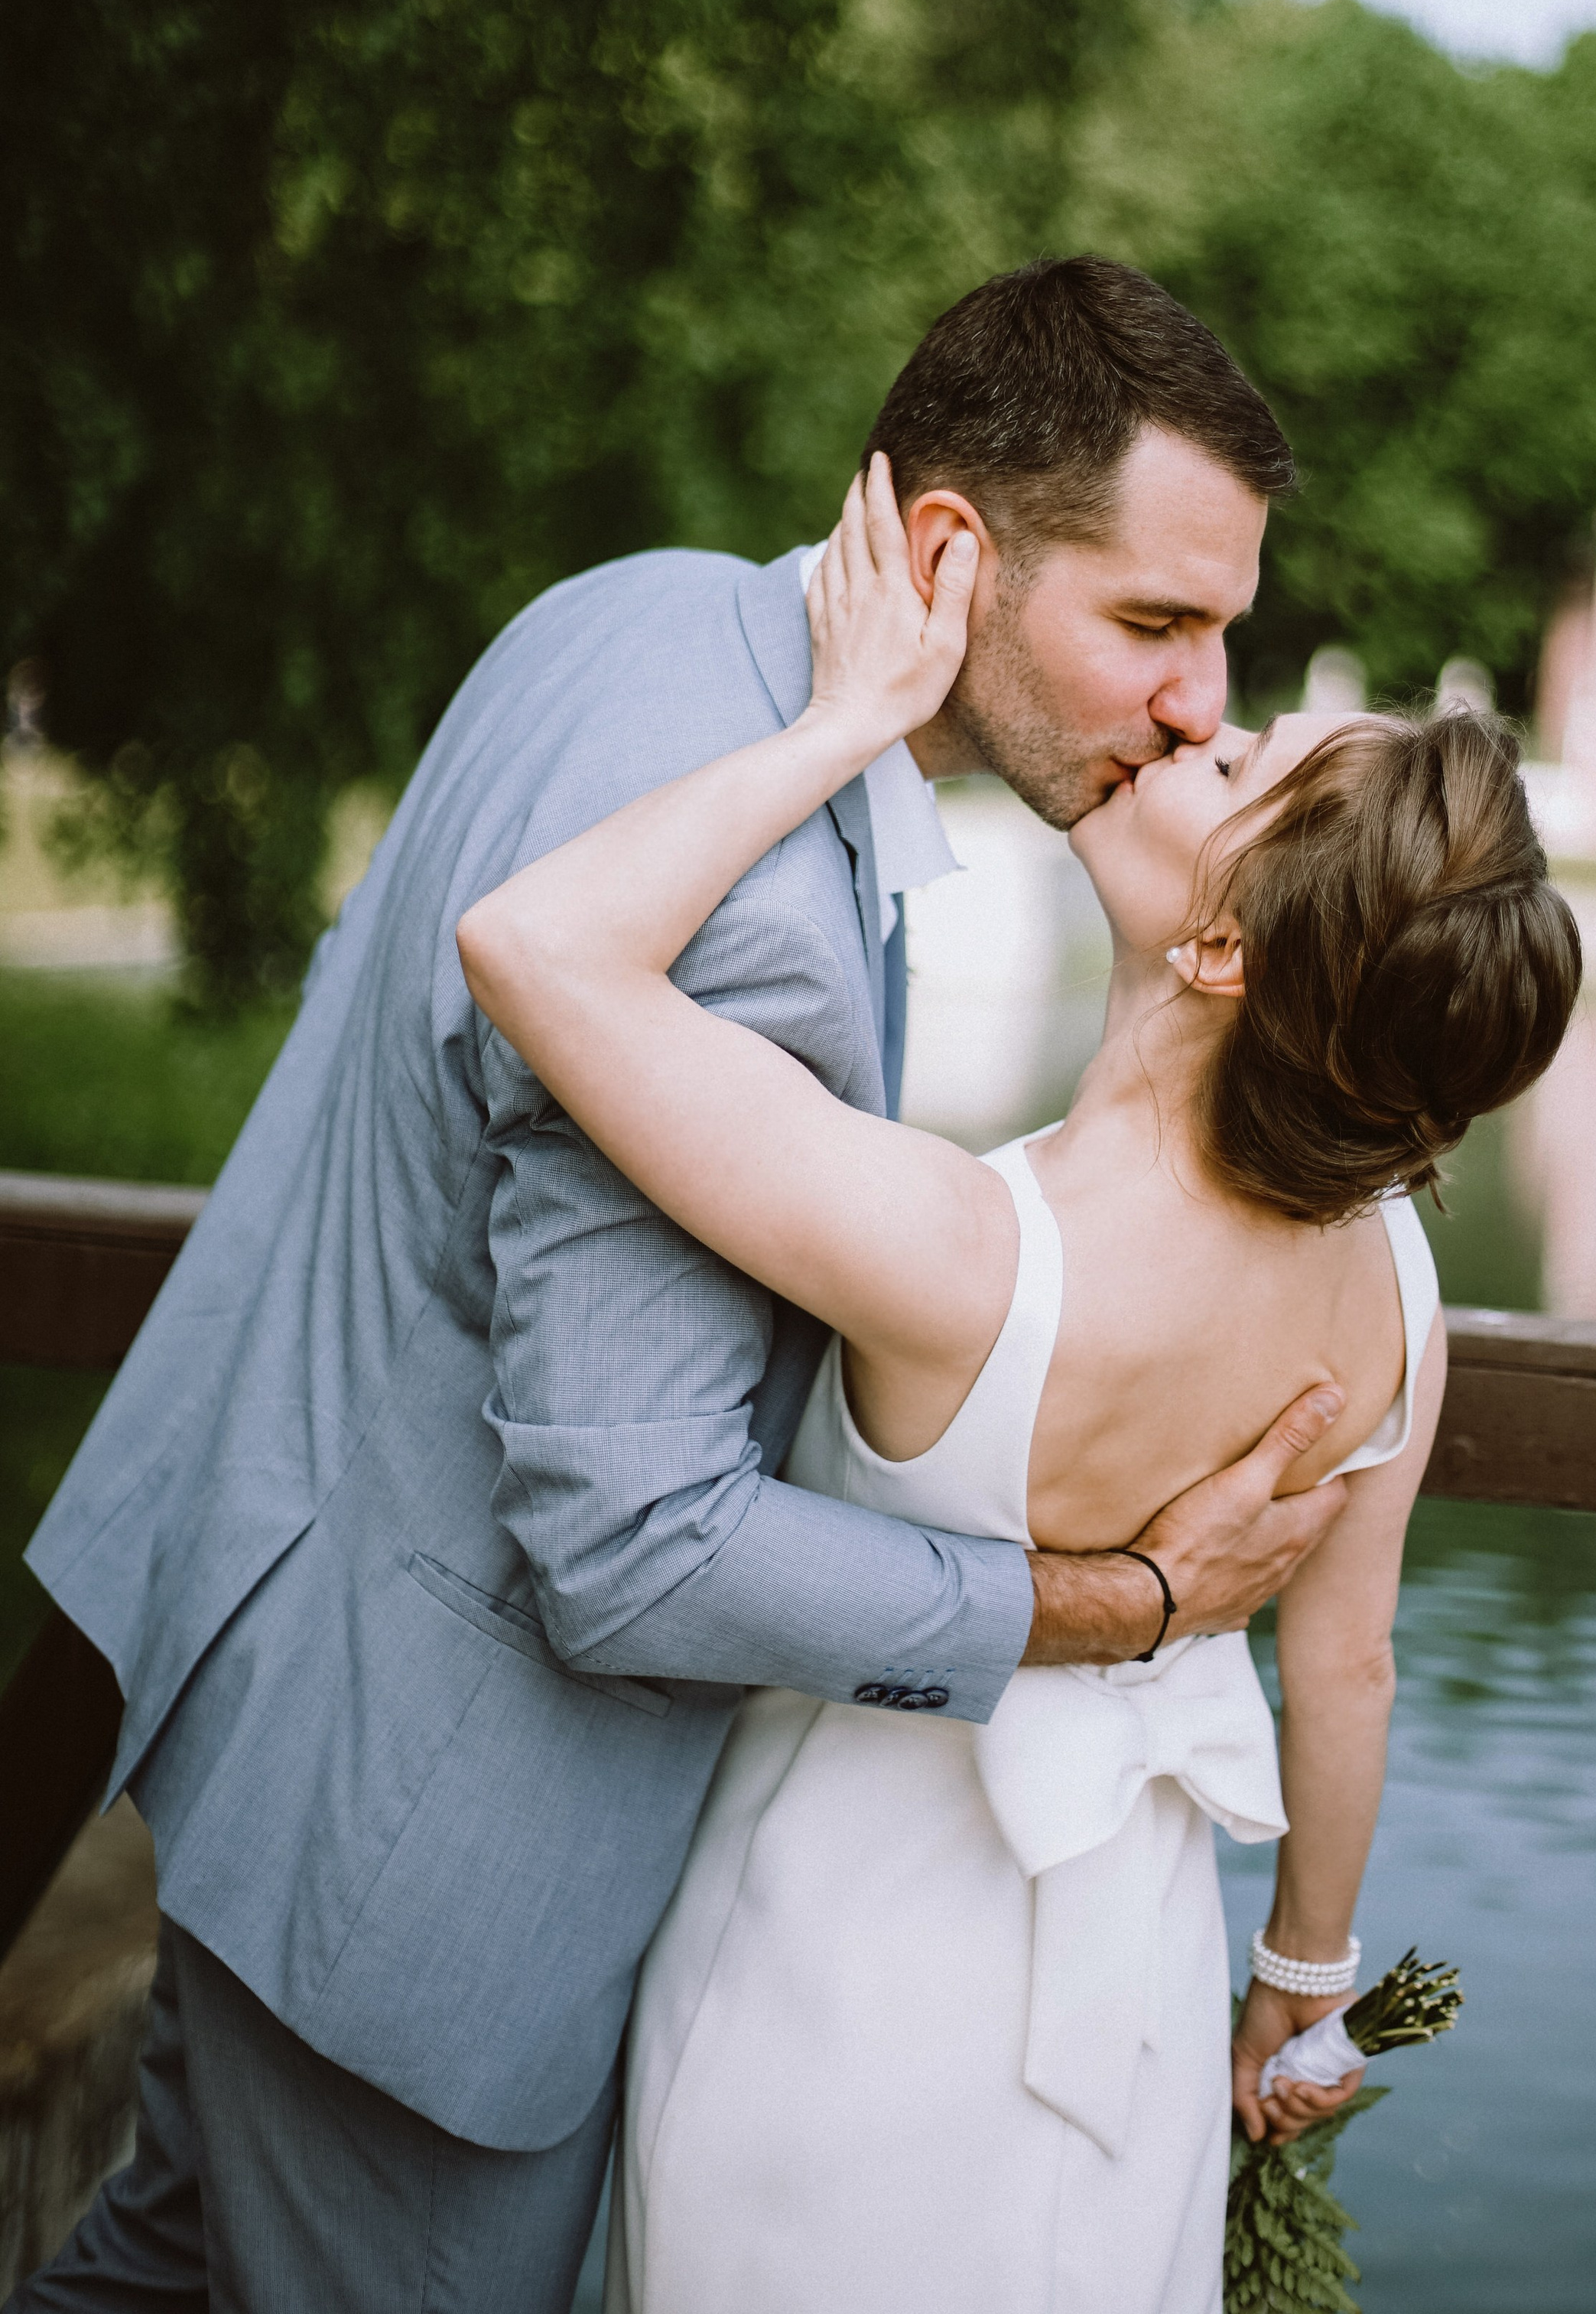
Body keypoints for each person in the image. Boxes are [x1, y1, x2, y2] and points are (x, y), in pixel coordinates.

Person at [13, 260, 1359, 2314]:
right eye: (1155, 625)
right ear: (947, 557)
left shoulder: (642, 611)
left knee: (147, 2275)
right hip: (429, 1874)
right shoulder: (750, 923)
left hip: (263, 1698)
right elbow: (635, 1550)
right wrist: (1128, 1605)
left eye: (1221, 638)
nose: (1199, 699)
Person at [459, 459, 1581, 2314]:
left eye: (1238, 765)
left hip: (839, 1965)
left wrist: (845, 722)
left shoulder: (959, 1251)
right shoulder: (1394, 1286)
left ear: (1220, 947)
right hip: (1139, 1992)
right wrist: (1299, 1984)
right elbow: (1347, 1666)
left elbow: (533, 945)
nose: (1194, 726)